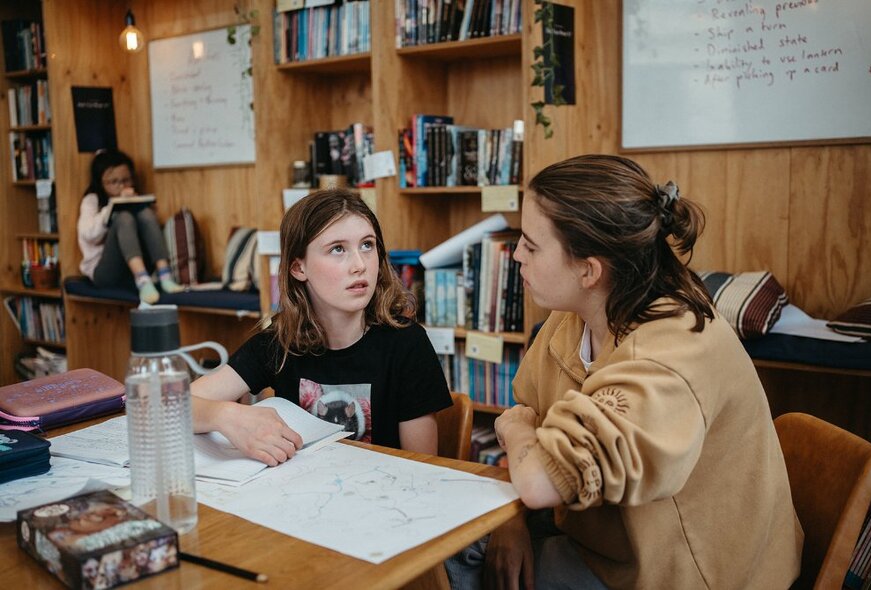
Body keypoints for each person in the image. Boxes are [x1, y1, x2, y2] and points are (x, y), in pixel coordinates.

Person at [448, 155, 803, 589]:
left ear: (588, 270)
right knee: (454, 548)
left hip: (683, 575)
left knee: (452, 569)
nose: (516, 253)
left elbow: (536, 466)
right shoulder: (580, 310)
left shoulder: (671, 353)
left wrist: (519, 434)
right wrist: (511, 521)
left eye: (531, 244)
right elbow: (529, 410)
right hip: (603, 542)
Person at [191, 188, 452, 464]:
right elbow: (168, 409)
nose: (360, 265)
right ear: (298, 268)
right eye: (338, 249)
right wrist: (227, 416)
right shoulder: (277, 343)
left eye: (367, 245)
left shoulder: (407, 343)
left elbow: (423, 470)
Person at [76, 149, 182, 304]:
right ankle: (143, 281)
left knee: (145, 213)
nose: (121, 186)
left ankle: (165, 275)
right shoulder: (92, 200)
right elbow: (88, 234)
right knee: (123, 217)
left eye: (126, 180)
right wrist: (112, 208)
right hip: (104, 272)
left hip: (131, 269)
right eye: (113, 182)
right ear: (101, 182)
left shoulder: (133, 194)